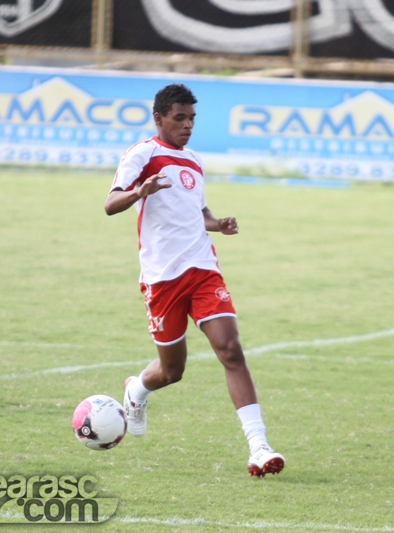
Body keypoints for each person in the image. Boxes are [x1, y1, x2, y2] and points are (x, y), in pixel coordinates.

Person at [104, 84, 284, 477]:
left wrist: (217, 224)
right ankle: (136, 390)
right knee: (172, 372)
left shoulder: (195, 161)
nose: (187, 126)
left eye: (192, 119)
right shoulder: (143, 153)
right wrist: (139, 191)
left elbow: (196, 211)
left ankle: (259, 446)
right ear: (159, 118)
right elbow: (110, 203)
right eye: (179, 118)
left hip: (203, 269)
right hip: (162, 278)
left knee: (230, 349)